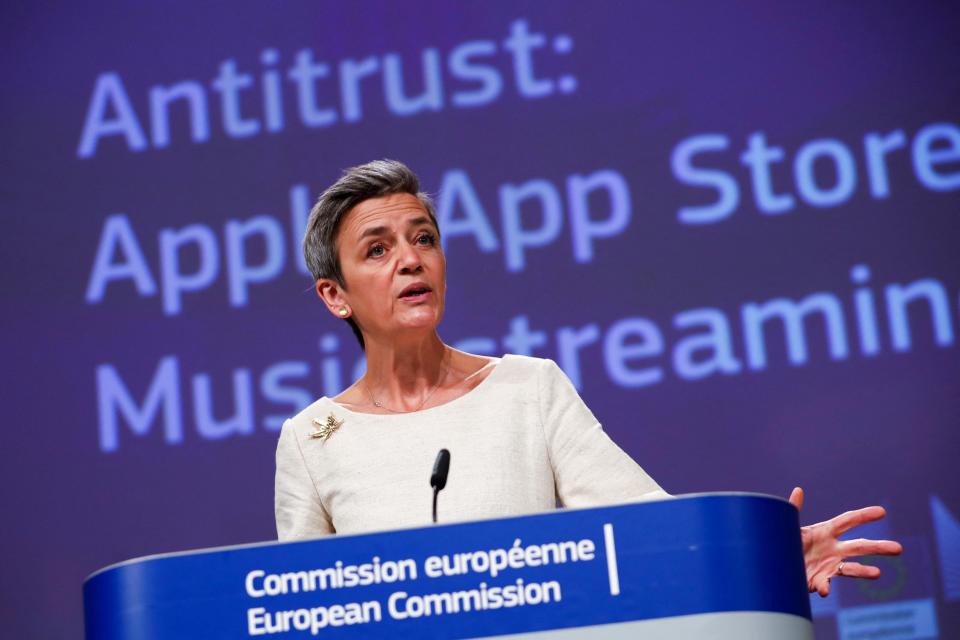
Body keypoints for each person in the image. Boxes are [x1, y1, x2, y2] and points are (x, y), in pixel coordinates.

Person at [275, 159, 902, 597]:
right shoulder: (312, 440)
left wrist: (766, 558)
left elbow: (648, 528)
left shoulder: (527, 388)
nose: (411, 258)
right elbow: (300, 613)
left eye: (424, 238)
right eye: (378, 249)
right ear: (336, 296)